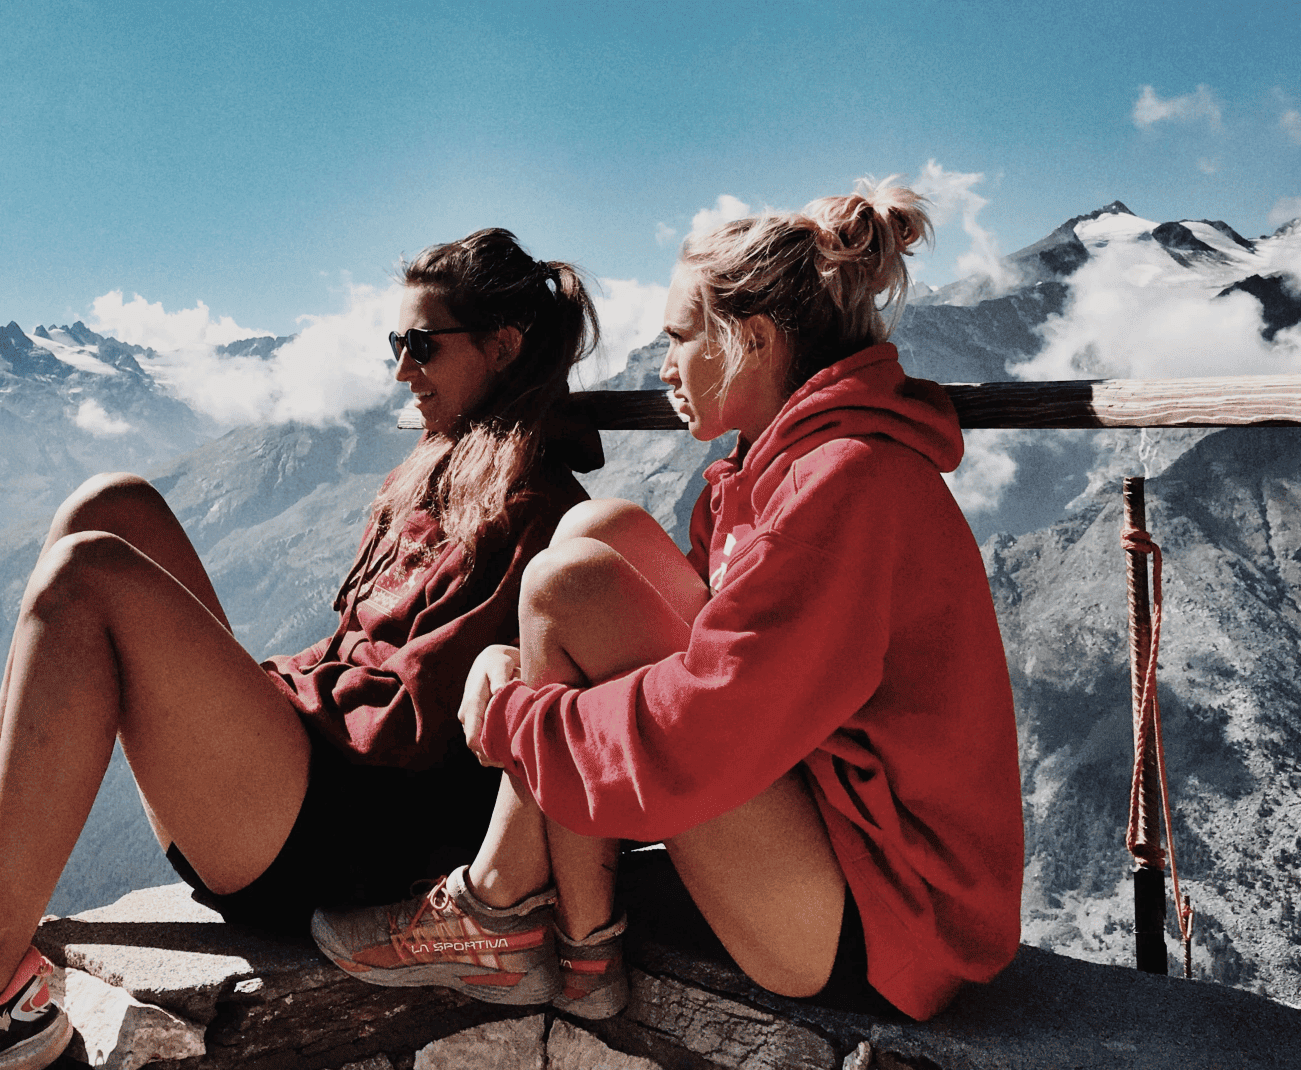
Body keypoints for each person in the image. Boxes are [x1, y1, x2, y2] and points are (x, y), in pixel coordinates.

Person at [0, 228, 601, 1070]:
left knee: (85, 573)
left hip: (353, 844)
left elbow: (413, 731)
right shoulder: (448, 464)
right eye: (397, 344)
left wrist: (274, 693)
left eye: (422, 345)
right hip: (316, 782)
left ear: (503, 346)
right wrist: (276, 685)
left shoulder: (532, 508)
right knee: (112, 504)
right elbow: (364, 665)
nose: (400, 370)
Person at [314, 181, 1022, 1022]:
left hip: (884, 929)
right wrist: (517, 667)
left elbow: (705, 725)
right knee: (595, 529)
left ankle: (500, 907)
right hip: (831, 840)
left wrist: (514, 718)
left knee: (566, 581)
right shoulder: (766, 475)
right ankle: (582, 947)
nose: (664, 365)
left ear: (751, 341)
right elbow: (689, 665)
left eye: (680, 337)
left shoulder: (848, 482)